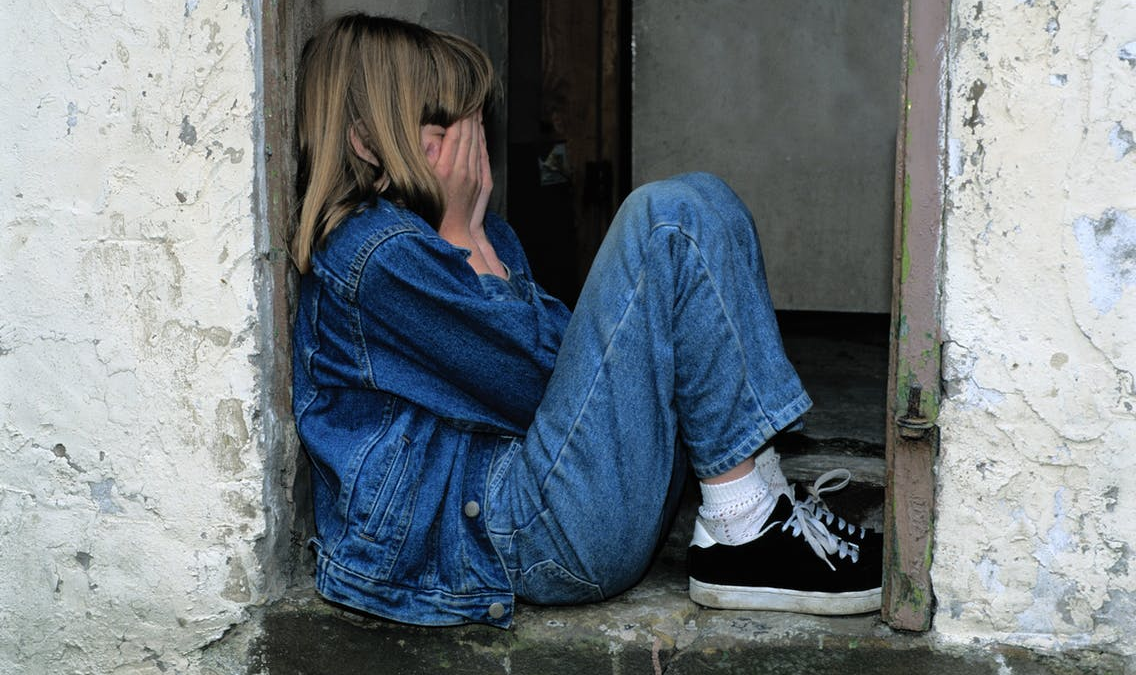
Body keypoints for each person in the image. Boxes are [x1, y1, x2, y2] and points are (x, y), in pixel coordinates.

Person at [290, 13, 882, 628]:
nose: (471, 154)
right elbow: (543, 381)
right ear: (365, 142)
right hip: (510, 536)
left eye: (472, 127)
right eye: (443, 129)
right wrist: (467, 239)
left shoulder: (463, 235)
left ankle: (754, 505)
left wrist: (479, 242)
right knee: (666, 219)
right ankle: (744, 532)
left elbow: (569, 374)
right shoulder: (377, 256)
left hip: (542, 504)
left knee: (703, 199)